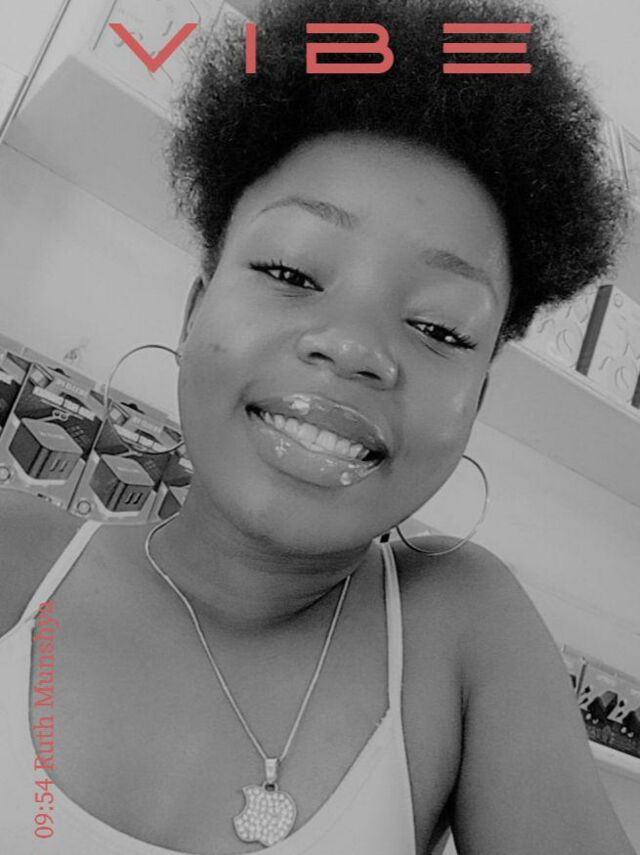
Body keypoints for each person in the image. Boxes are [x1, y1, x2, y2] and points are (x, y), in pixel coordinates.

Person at [0, 0, 635, 852]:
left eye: (440, 327)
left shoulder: (462, 632)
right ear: (194, 312)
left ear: (477, 403)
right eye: (293, 272)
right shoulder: (14, 558)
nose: (354, 347)